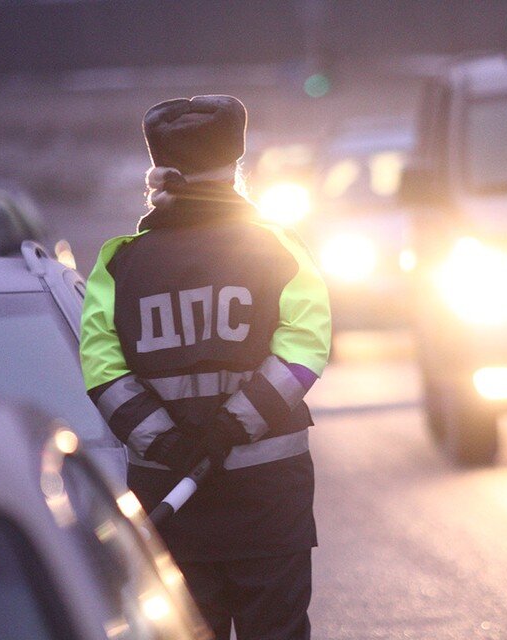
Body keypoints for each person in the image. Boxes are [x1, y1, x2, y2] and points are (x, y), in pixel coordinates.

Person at [79, 95, 330, 640]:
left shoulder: (119, 264)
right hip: (269, 504)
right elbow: (305, 347)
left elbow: (102, 369)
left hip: (172, 506)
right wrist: (234, 425)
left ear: (162, 174)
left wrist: (167, 442)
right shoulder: (277, 248)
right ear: (234, 168)